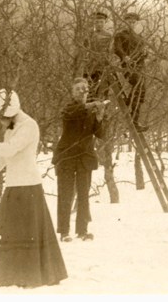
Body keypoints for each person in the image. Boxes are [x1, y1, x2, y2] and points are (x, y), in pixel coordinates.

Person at [0, 89, 67, 288]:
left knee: (28, 233)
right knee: (11, 232)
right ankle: (13, 277)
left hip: (28, 188)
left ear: (10, 114)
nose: (0, 123)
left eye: (1, 119)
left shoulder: (29, 126)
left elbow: (9, 149)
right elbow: (5, 157)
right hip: (14, 187)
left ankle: (32, 277)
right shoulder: (13, 128)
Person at [52, 78, 105, 242]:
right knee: (65, 195)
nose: (82, 92)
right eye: (78, 89)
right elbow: (76, 112)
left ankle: (83, 231)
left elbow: (101, 134)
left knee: (83, 195)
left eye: (85, 89)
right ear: (72, 92)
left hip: (84, 158)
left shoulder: (91, 110)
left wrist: (99, 118)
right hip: (66, 158)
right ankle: (64, 232)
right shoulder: (68, 109)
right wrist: (92, 106)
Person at [113, 11, 147, 129]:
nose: (131, 24)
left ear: (136, 23)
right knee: (138, 85)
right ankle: (133, 118)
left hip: (139, 67)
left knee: (141, 91)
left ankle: (134, 118)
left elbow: (143, 53)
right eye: (129, 22)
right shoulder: (120, 35)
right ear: (125, 22)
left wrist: (145, 54)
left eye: (133, 22)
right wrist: (124, 57)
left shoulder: (140, 37)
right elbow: (117, 48)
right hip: (127, 66)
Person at [78, 11, 114, 99]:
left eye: (101, 22)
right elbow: (83, 49)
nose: (99, 24)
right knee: (87, 91)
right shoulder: (89, 35)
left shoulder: (109, 36)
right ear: (94, 23)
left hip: (102, 67)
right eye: (97, 22)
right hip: (89, 67)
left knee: (101, 91)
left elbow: (111, 52)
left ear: (105, 23)